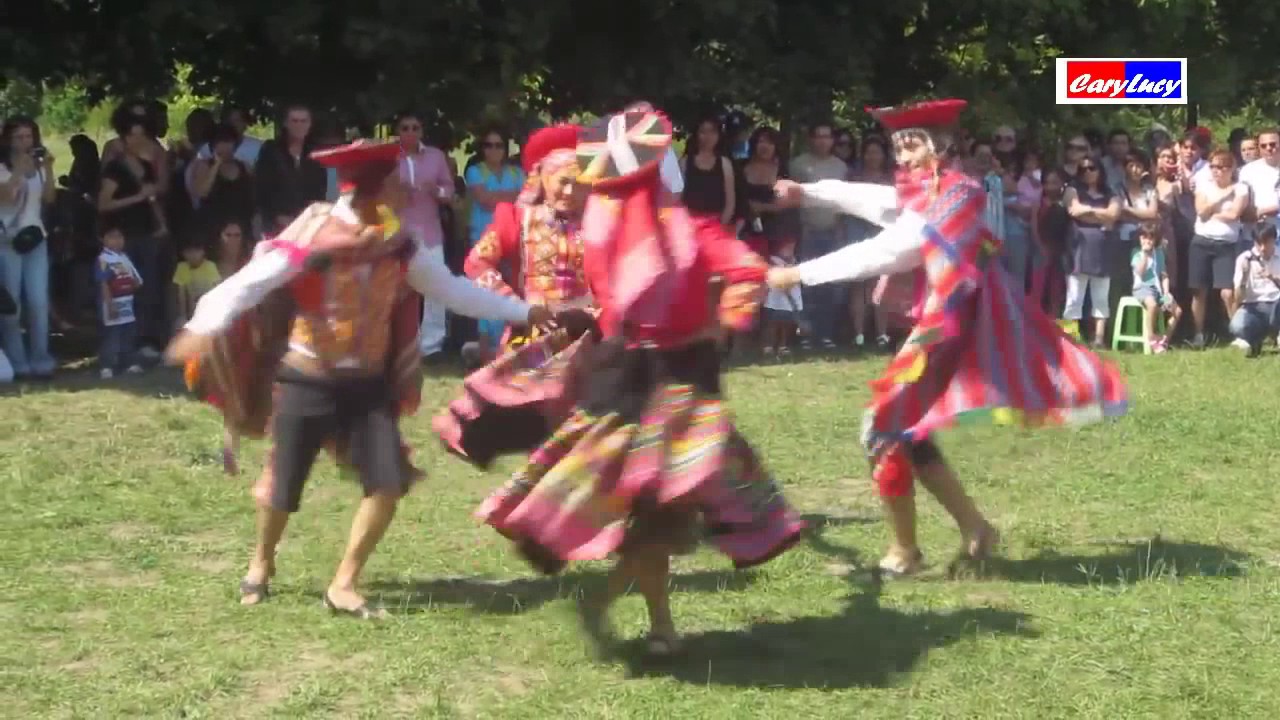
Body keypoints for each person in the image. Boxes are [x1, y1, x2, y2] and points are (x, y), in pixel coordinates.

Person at [451, 107, 805, 656]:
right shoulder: (662, 230)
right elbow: (734, 274)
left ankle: (641, 614)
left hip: (653, 378)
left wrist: (724, 310)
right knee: (649, 510)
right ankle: (636, 612)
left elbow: (724, 275)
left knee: (655, 512)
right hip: (648, 379)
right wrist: (723, 316)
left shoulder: (622, 230)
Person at [165, 140, 554, 618]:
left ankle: (344, 583)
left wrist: (525, 311)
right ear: (373, 190)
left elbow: (454, 291)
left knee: (388, 482)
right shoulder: (315, 238)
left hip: (368, 385)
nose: (404, 190)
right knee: (283, 487)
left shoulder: (400, 244)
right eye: (394, 182)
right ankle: (261, 562)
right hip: (308, 377)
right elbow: (250, 284)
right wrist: (199, 330)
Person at [768, 98, 1128, 577]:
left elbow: (895, 247)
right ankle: (975, 528)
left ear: (939, 148)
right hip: (940, 324)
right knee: (908, 433)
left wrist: (801, 274)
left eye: (911, 145)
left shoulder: (960, 194)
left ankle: (905, 554)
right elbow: (871, 199)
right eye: (897, 147)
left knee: (882, 429)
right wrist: (807, 192)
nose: (902, 157)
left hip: (950, 328)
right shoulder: (924, 189)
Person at [433, 125, 597, 464]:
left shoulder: (601, 221)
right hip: (534, 333)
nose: (570, 190)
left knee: (586, 424)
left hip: (588, 334)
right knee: (532, 421)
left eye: (578, 183)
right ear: (543, 179)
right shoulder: (517, 217)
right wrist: (516, 305)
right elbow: (476, 262)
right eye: (562, 182)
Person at [95, 224, 145, 379]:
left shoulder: (125, 258)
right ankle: (107, 365)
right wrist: (110, 304)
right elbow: (103, 283)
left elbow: (137, 281)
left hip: (127, 302)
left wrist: (131, 282)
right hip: (111, 302)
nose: (117, 241)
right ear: (103, 240)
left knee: (128, 332)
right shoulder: (103, 259)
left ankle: (129, 362)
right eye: (112, 237)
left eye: (120, 237)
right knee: (111, 334)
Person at [1228, 221, 1280, 356]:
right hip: (1253, 306)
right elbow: (1238, 298)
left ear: (1274, 240)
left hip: (1276, 302)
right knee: (1236, 325)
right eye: (1258, 243)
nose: (1262, 248)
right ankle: (1254, 340)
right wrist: (1244, 278)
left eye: (1266, 243)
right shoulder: (1244, 259)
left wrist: (1273, 277)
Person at [1131, 223, 1181, 353]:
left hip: (1158, 288)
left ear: (1155, 240)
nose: (1147, 240)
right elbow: (1140, 272)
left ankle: (1164, 340)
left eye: (1150, 238)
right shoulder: (1136, 253)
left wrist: (1166, 293)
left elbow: (1164, 275)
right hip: (1142, 288)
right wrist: (1145, 255)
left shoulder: (1159, 253)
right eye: (1144, 237)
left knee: (1177, 311)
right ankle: (1151, 337)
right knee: (1152, 305)